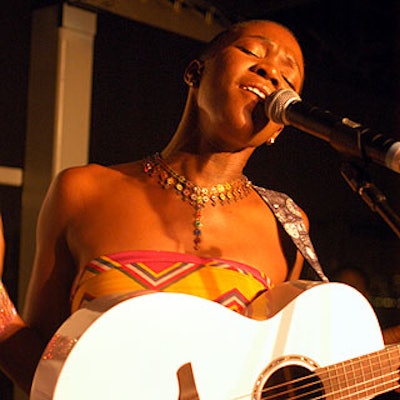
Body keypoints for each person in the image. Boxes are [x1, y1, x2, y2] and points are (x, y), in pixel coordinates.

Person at [0, 19, 391, 396]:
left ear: (280, 127)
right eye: (252, 51)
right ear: (195, 72)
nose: (272, 72)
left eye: (288, 78)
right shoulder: (82, 190)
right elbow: (47, 371)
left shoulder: (286, 225)